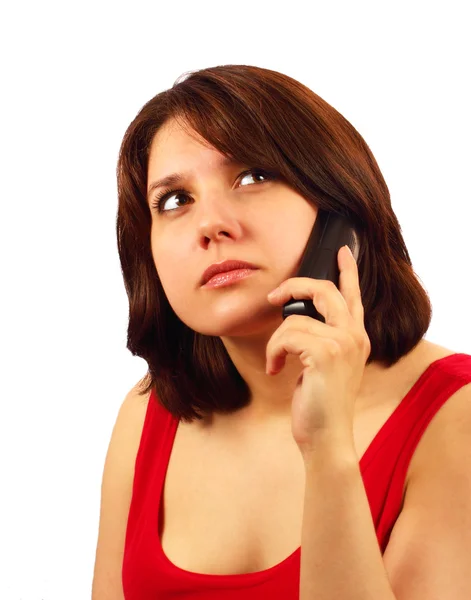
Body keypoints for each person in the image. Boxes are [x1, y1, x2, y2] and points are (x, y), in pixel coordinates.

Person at [92, 65, 471, 600]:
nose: (211, 224)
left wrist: (328, 452)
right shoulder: (148, 413)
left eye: (252, 177)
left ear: (340, 209)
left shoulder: (456, 419)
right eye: (175, 200)